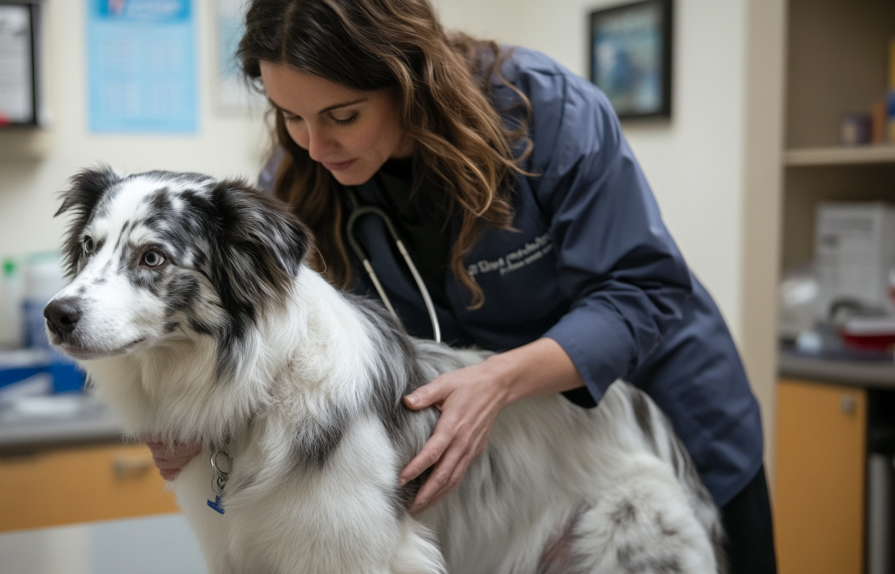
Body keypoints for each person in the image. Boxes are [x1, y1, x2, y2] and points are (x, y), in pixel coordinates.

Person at [144, 0, 777, 571]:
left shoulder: (548, 114)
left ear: (408, 79)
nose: (314, 146)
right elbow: (282, 335)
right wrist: (205, 419)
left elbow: (642, 290)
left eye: (343, 115)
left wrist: (498, 381)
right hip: (514, 468)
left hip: (656, 418)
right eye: (291, 118)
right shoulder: (298, 178)